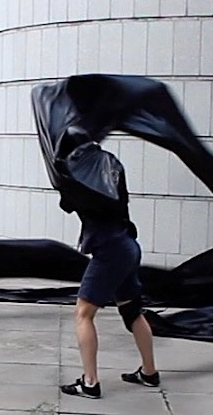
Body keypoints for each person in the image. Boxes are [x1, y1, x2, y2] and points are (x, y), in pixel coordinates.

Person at [59, 138, 160, 399]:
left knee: (83, 314)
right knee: (132, 311)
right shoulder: (111, 163)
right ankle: (149, 373)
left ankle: (90, 382)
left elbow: (67, 203)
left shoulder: (79, 167)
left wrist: (62, 174)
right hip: (128, 244)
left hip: (110, 250)